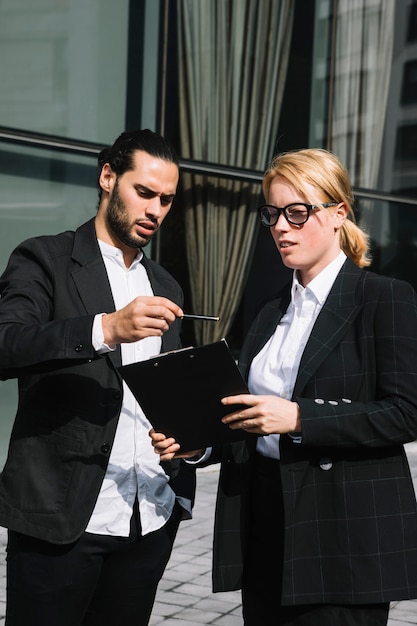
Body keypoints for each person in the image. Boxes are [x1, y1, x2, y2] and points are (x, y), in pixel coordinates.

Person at [151, 148, 417, 626]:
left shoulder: (383, 297)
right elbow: (243, 417)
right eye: (272, 214)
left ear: (339, 214)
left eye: (298, 212)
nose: (281, 227)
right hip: (264, 516)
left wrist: (299, 417)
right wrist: (193, 448)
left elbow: (406, 412)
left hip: (341, 528)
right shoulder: (271, 309)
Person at [0, 128, 196, 626]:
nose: (155, 210)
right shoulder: (44, 258)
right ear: (108, 177)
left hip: (147, 521)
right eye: (144, 192)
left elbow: (175, 392)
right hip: (63, 525)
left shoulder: (166, 284)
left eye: (166, 200)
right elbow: (7, 345)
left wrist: (189, 444)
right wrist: (106, 328)